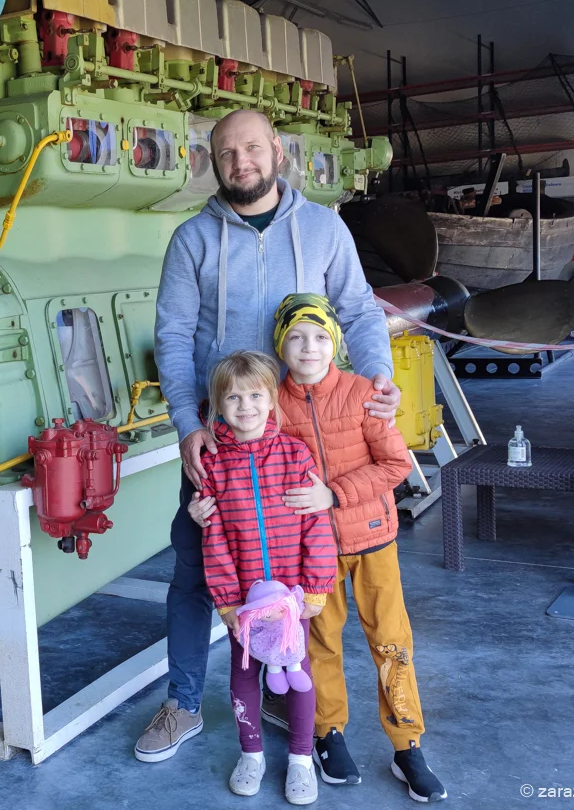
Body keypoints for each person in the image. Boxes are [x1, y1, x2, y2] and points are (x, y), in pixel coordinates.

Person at [138, 108, 401, 763]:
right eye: (226, 153)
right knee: (198, 572)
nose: (240, 162)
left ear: (278, 152)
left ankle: (286, 687)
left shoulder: (322, 228)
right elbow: (172, 335)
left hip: (300, 434)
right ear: (213, 161)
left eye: (252, 148)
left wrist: (375, 386)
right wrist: (187, 424)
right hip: (218, 437)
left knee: (294, 566)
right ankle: (185, 703)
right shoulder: (192, 240)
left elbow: (361, 311)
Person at [189, 294, 447, 803]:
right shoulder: (268, 399)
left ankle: (407, 744)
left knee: (391, 640)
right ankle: (328, 737)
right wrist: (207, 499)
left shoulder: (362, 393)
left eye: (322, 336)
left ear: (337, 342)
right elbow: (232, 435)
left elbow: (396, 466)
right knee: (318, 646)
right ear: (280, 345)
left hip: (371, 536)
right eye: (297, 337)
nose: (310, 348)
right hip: (305, 556)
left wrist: (335, 494)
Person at [197, 350, 335, 804]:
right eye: (233, 398)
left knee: (299, 671)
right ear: (218, 405)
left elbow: (316, 525)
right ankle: (251, 753)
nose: (245, 406)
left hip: (293, 596)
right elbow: (214, 542)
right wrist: (227, 602)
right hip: (245, 602)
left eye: (255, 395)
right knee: (243, 675)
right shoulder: (214, 466)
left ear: (272, 400)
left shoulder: (295, 454)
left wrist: (316, 588)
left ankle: (300, 759)